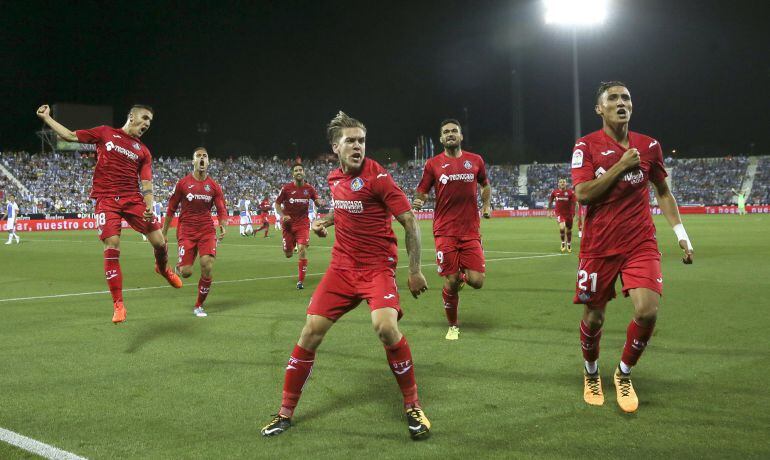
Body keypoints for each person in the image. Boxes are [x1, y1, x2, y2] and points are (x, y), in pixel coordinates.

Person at [261, 112, 431, 440]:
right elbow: (345, 206)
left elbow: (410, 221)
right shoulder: (333, 178)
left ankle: (412, 405)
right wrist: (325, 221)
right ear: (335, 147)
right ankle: (284, 413)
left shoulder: (378, 177)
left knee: (385, 327)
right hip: (341, 269)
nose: (357, 146)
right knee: (310, 332)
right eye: (350, 141)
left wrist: (414, 270)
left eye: (361, 141)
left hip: (376, 268)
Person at [571, 81, 694, 413]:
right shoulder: (586, 146)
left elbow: (663, 191)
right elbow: (582, 194)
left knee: (647, 310)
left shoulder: (649, 145)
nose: (621, 102)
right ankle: (591, 371)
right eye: (612, 98)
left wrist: (681, 233)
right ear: (600, 108)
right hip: (598, 246)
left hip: (640, 242)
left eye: (626, 97)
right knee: (594, 318)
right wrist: (622, 166)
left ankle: (623, 373)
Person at [36, 104, 182, 324]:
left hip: (133, 199)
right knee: (112, 245)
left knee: (160, 242)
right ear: (131, 117)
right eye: (144, 118)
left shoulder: (143, 151)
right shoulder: (105, 133)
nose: (146, 124)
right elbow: (69, 135)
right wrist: (47, 117)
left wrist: (150, 206)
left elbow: (147, 182)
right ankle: (118, 304)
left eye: (149, 122)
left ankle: (162, 268)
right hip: (107, 200)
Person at [413, 119, 491, 340]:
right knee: (452, 281)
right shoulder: (433, 164)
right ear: (441, 138)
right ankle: (453, 325)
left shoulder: (475, 160)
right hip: (445, 230)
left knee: (477, 281)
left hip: (471, 231)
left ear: (461, 136)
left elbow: (485, 184)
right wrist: (419, 200)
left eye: (454, 131)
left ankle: (462, 276)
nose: (450, 134)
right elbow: (422, 189)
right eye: (446, 132)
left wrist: (486, 204)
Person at [162, 148, 228, 317]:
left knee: (207, 265)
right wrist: (164, 231)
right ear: (193, 161)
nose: (201, 159)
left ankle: (199, 305)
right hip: (186, 230)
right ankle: (178, 267)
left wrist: (223, 223)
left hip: (206, 230)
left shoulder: (214, 186)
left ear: (208, 162)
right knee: (186, 272)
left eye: (204, 156)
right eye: (198, 156)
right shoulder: (183, 183)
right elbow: (171, 207)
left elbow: (221, 208)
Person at [274, 164, 323, 289]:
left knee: (302, 249)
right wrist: (282, 215)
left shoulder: (310, 189)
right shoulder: (286, 189)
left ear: (304, 172)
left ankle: (300, 281)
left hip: (302, 224)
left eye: (300, 170)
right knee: (288, 254)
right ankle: (288, 246)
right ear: (293, 174)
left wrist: (319, 202)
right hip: (288, 225)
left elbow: (316, 200)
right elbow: (277, 204)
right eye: (296, 170)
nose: (298, 172)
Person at [548, 178, 579, 253]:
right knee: (562, 227)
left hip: (569, 214)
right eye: (561, 182)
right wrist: (549, 211)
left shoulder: (570, 193)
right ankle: (562, 243)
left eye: (563, 182)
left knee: (569, 230)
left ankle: (568, 244)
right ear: (558, 183)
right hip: (559, 213)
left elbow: (576, 204)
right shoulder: (555, 192)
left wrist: (577, 214)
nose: (562, 183)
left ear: (566, 184)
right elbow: (550, 201)